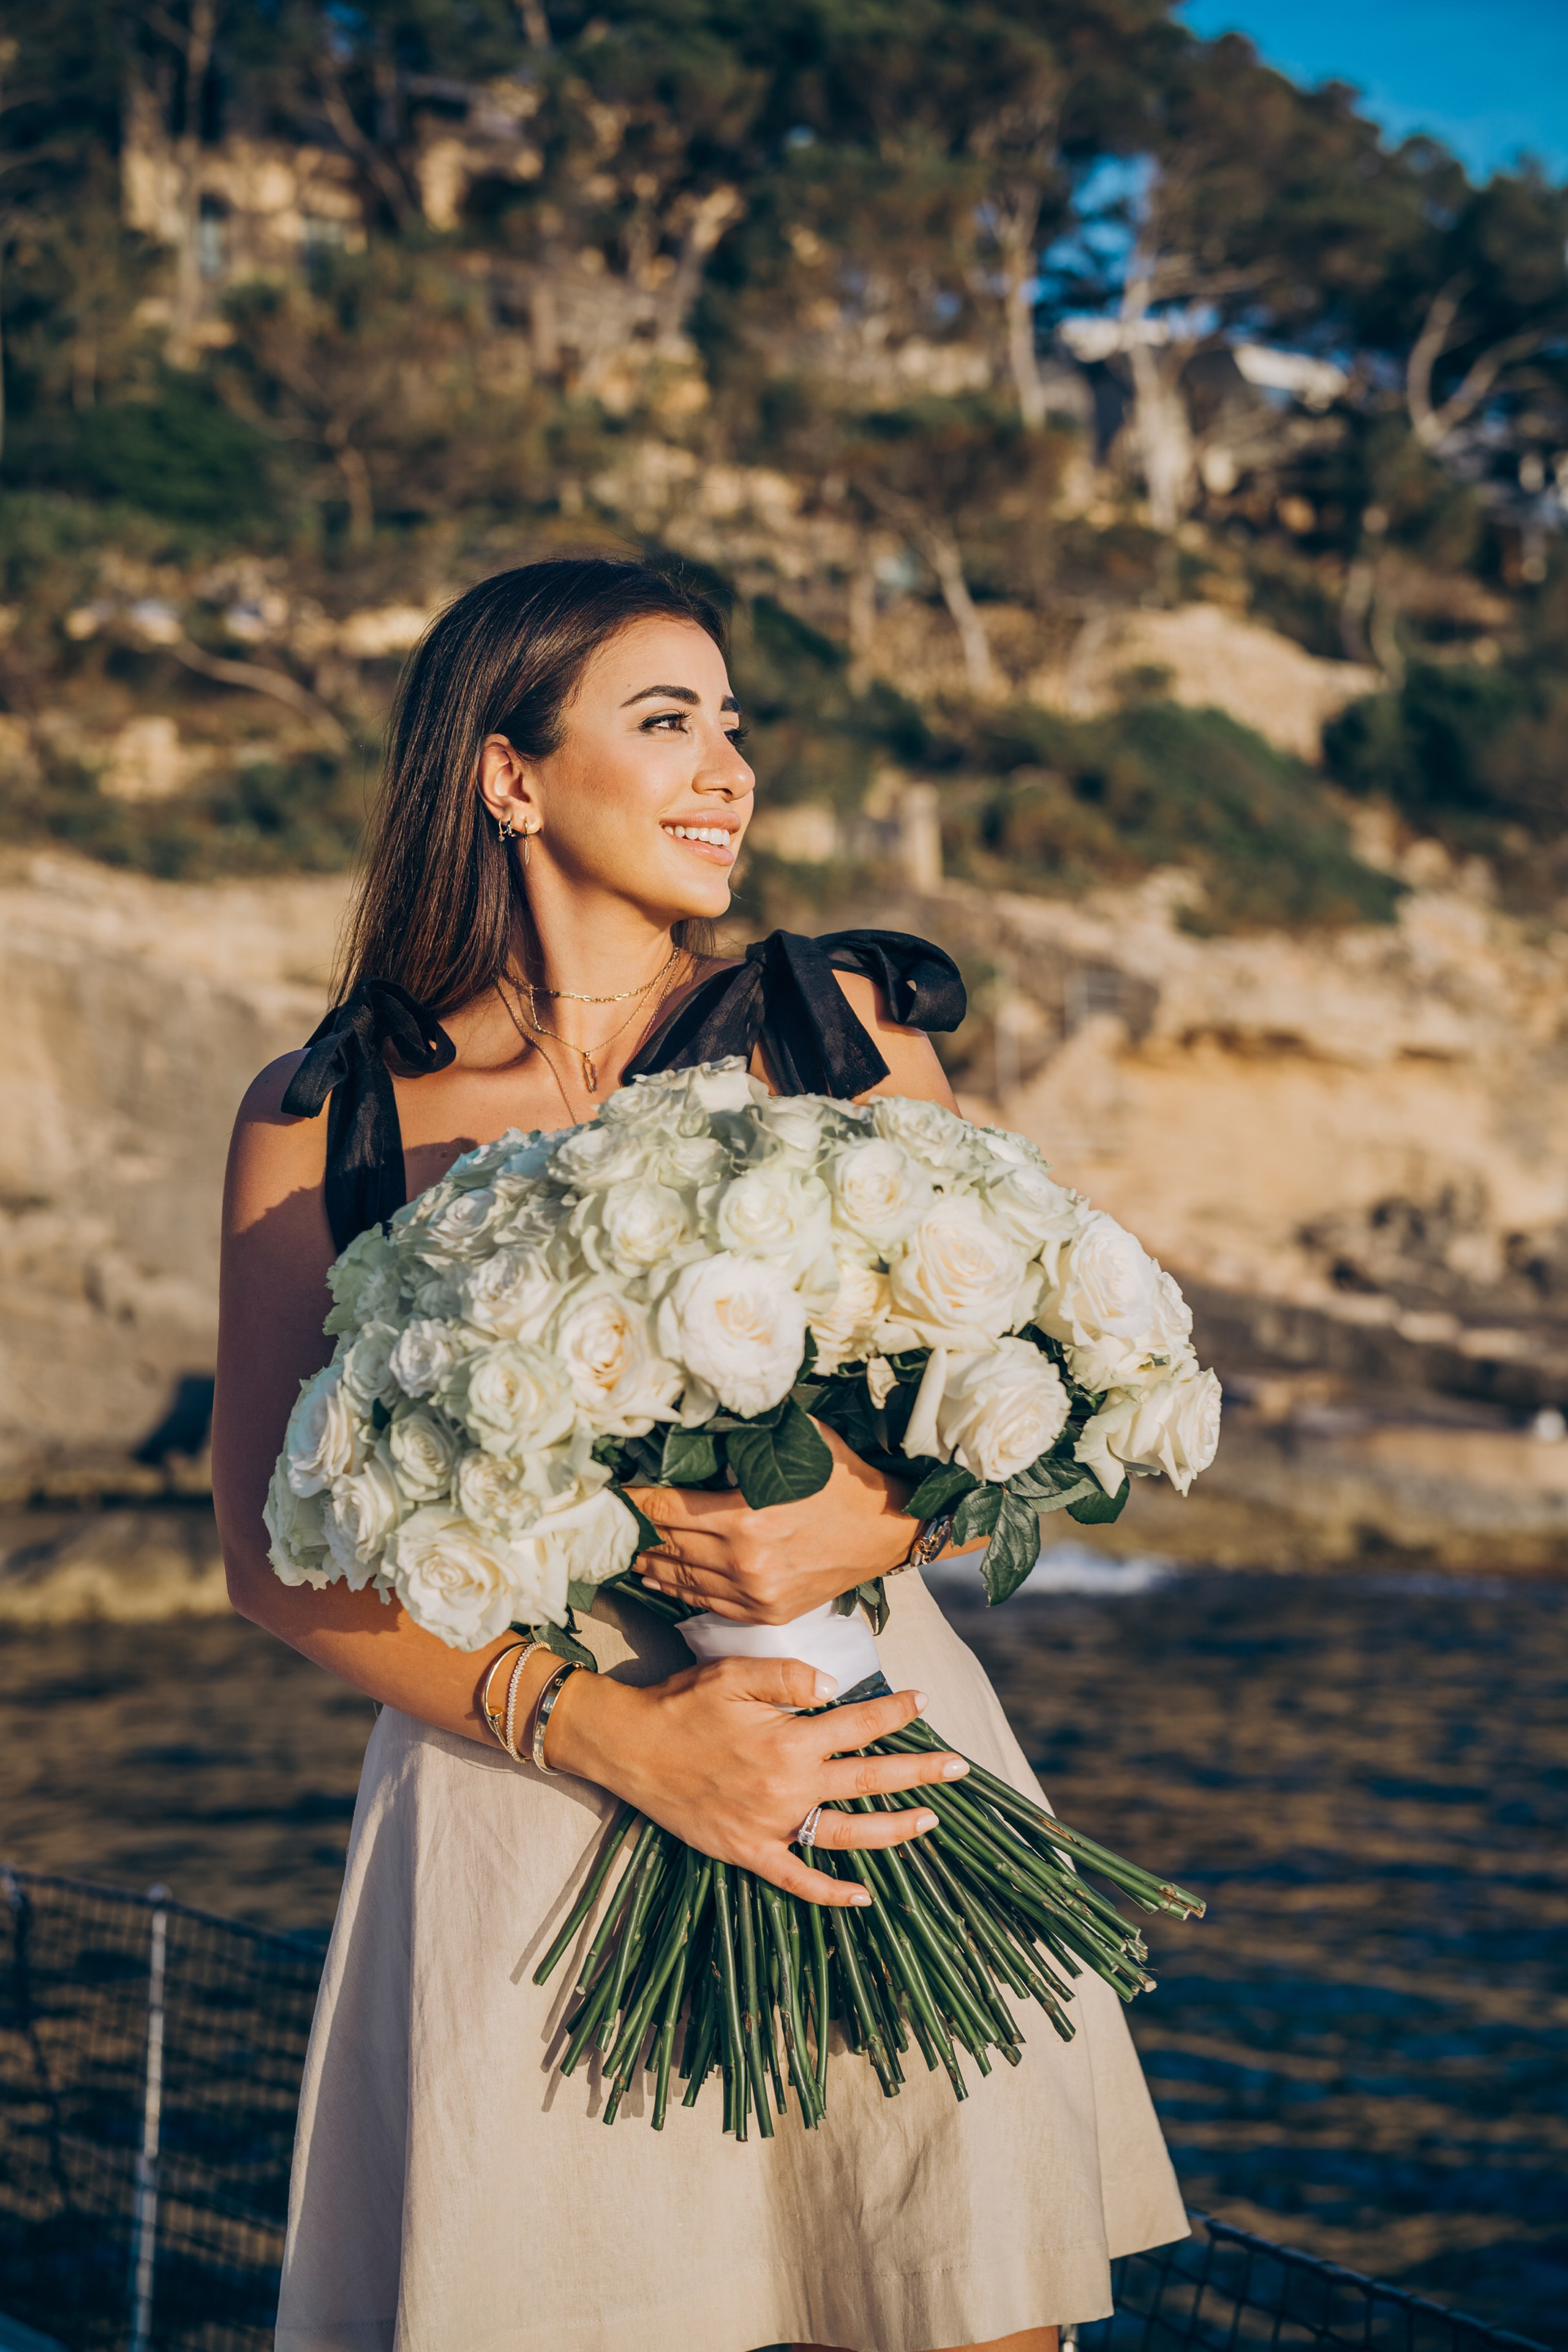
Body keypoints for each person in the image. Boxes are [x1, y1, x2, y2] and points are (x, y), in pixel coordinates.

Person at [213, 557, 1185, 2352]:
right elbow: (274, 1562)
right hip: (522, 1810)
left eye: (735, 727)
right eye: (667, 722)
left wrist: (861, 1525)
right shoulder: (322, 1111)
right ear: (508, 774)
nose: (727, 767)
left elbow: (1023, 1404)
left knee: (956, 2313)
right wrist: (623, 1737)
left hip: (879, 1765)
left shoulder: (844, 1033)